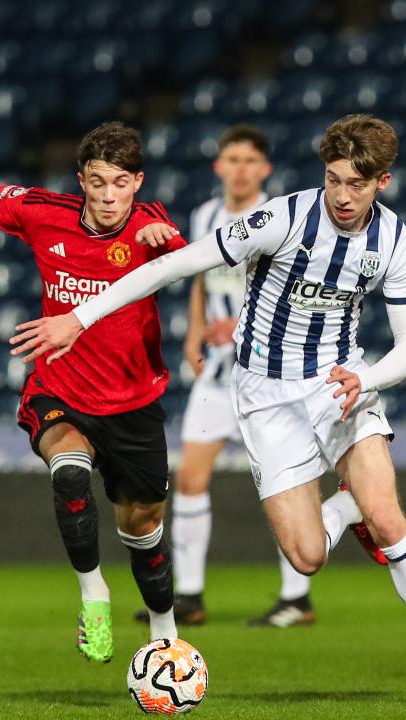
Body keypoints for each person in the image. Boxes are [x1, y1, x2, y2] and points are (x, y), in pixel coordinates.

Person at [10, 114, 406, 708]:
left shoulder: (394, 243)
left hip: (343, 387)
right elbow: (171, 266)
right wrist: (79, 318)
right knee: (307, 558)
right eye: (332, 179)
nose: (341, 195)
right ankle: (349, 505)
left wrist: (365, 376)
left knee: (390, 518)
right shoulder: (281, 219)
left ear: (381, 181)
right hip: (266, 398)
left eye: (355, 184)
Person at [0, 121, 187, 664]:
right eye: (98, 182)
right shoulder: (44, 213)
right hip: (59, 387)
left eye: (121, 183)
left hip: (133, 400)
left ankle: (164, 630)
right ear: (81, 179)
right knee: (69, 470)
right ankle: (93, 595)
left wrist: (171, 242)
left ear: (138, 182)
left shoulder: (152, 224)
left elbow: (187, 257)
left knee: (144, 526)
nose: (109, 196)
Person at [152, 124, 318, 627]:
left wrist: (241, 324)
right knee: (189, 478)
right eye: (233, 159)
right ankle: (190, 595)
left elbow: (291, 290)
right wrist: (193, 332)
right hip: (220, 372)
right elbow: (203, 277)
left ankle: (296, 598)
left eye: (250, 160)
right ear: (218, 166)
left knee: (286, 479)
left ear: (264, 169)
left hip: (270, 369)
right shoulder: (205, 215)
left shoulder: (282, 217)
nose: (240, 169)